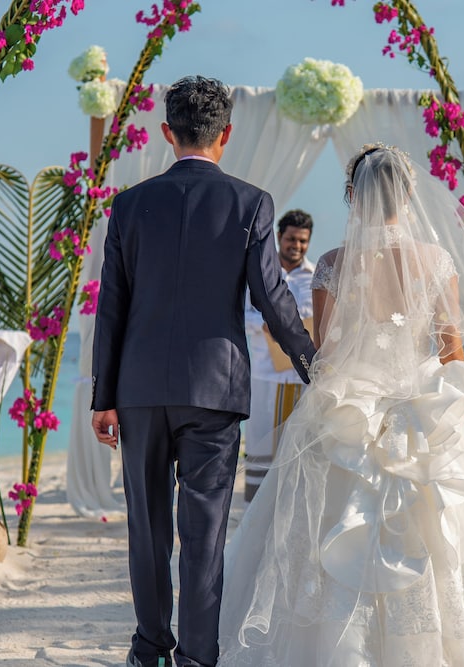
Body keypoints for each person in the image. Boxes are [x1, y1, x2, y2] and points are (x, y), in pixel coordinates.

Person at [217, 144, 464, 665]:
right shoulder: (436, 260)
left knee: (322, 534)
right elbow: (451, 352)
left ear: (352, 196)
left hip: (351, 414)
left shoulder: (332, 264)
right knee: (445, 537)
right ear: (410, 193)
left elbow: (326, 355)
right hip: (424, 412)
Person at [91, 75, 316, 667]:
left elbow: (110, 304)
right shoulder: (252, 203)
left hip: (137, 391)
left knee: (147, 527)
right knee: (205, 531)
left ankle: (148, 649)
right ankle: (195, 658)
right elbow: (273, 300)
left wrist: (102, 396)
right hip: (215, 392)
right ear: (227, 135)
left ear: (167, 133)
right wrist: (314, 362)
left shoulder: (129, 204)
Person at [243, 209, 315, 502]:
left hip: (301, 375)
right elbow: (241, 313)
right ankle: (256, 506)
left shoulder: (313, 277)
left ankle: (292, 505)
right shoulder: (260, 272)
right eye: (291, 240)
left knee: (297, 446)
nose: (296, 246)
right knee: (262, 442)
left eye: (302, 241)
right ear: (279, 237)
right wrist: (263, 325)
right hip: (265, 373)